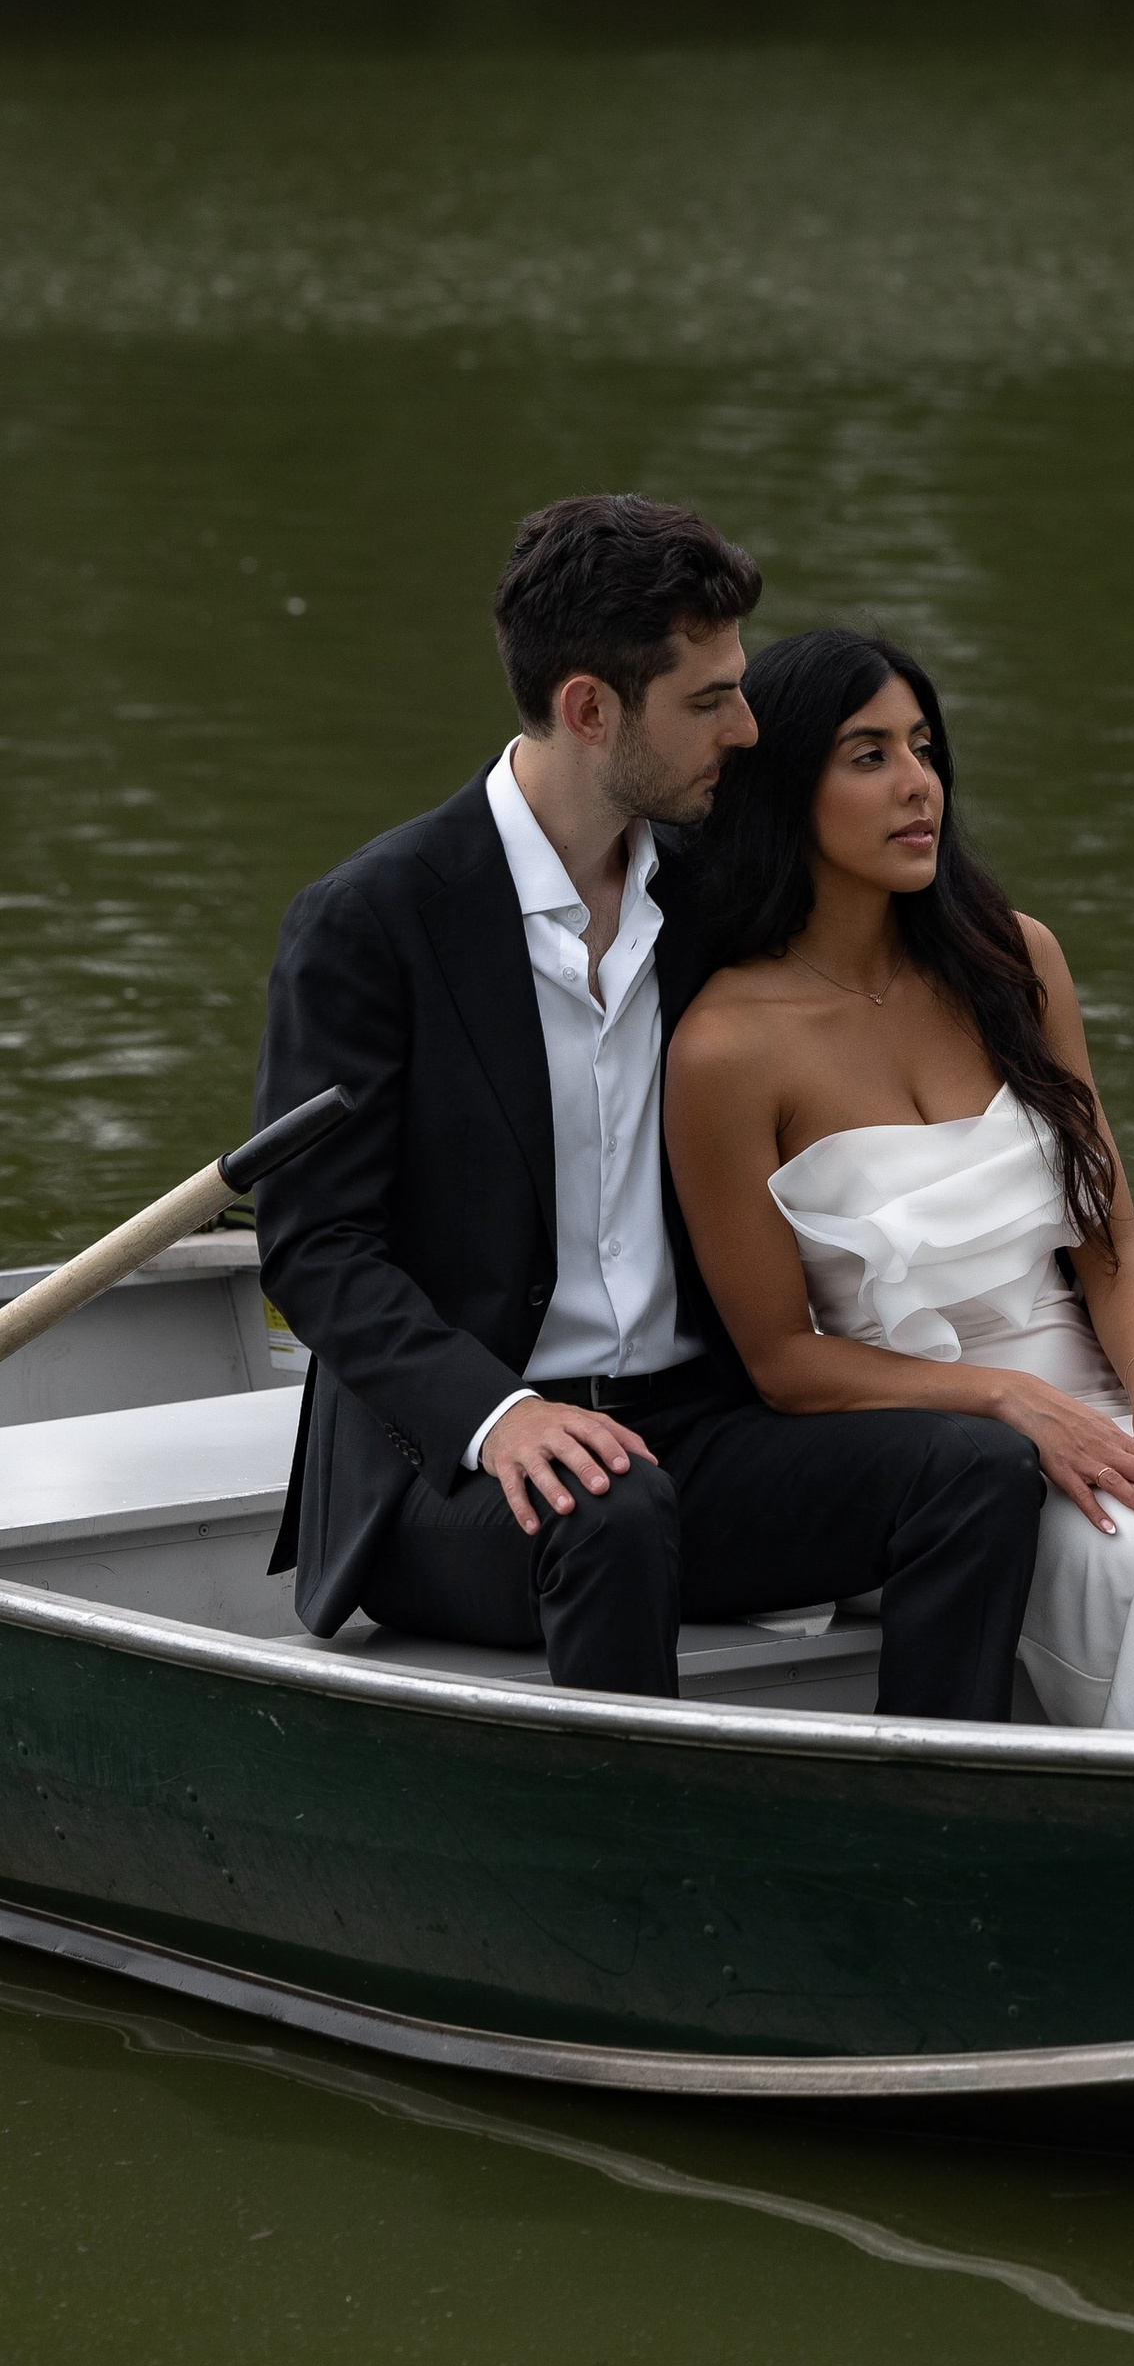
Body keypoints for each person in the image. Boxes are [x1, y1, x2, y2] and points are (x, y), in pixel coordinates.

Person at [251, 497, 1045, 1707]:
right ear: (588, 709)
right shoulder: (374, 922)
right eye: (709, 699)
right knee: (610, 1509)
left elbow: (869, 1041)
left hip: (700, 1431)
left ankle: (934, 1841)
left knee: (974, 1471)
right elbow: (317, 1249)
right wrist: (497, 1414)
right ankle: (647, 1881)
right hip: (455, 1476)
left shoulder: (719, 893)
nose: (747, 727)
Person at [663, 625, 1134, 1737]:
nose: (919, 785)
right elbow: (783, 1362)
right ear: (784, 790)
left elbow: (1108, 1237)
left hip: (1106, 1396)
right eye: (868, 756)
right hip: (945, 1461)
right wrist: (1015, 1404)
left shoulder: (1012, 959)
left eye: (923, 746)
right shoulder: (724, 1050)